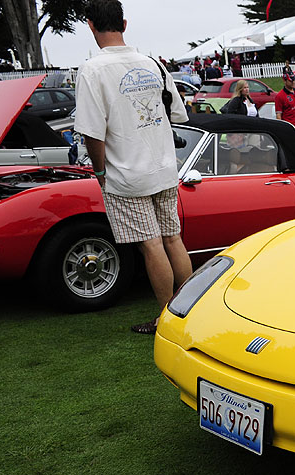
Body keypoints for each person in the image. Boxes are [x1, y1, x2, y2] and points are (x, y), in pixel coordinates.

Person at [74, 0, 191, 335]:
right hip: (164, 167)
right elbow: (177, 117)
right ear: (124, 24)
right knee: (172, 238)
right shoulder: (153, 63)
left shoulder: (93, 70)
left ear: (90, 25)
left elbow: (92, 133)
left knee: (152, 244)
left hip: (127, 174)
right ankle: (189, 310)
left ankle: (166, 319)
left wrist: (100, 172)